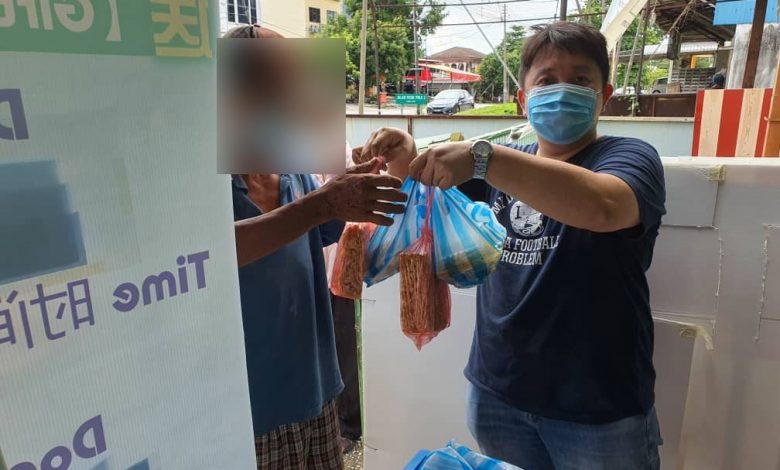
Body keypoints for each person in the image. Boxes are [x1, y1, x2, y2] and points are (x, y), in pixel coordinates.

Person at [363, 22, 666, 470]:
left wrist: (483, 158)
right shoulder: (501, 163)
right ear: (524, 99)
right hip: (497, 395)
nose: (562, 90)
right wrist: (406, 154)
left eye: (580, 79)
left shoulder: (630, 157)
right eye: (546, 80)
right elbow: (431, 182)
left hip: (598, 409)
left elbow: (604, 206)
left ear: (605, 95)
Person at [223, 25, 407, 469]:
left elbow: (323, 227)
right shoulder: (207, 185)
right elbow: (216, 255)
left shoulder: (294, 172)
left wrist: (357, 183)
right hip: (252, 412)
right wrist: (321, 203)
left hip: (318, 392)